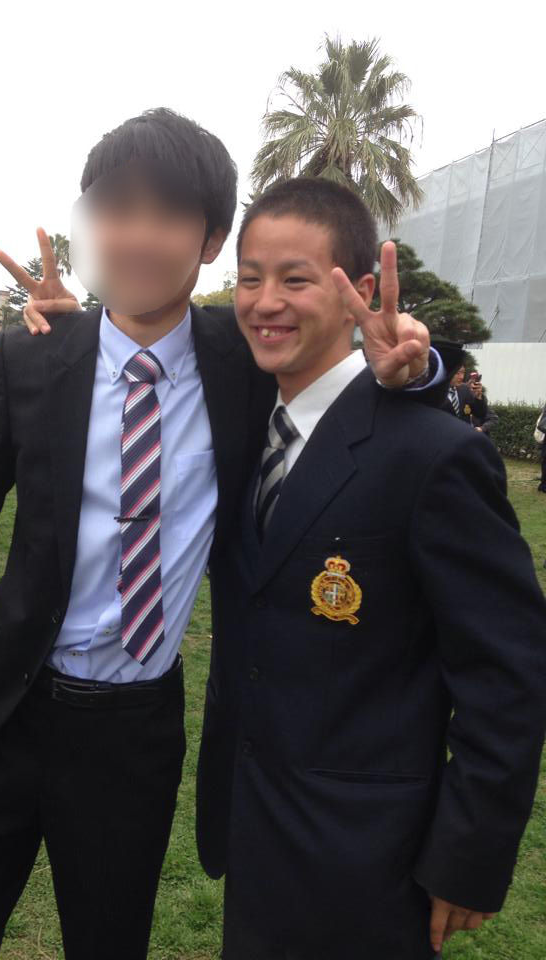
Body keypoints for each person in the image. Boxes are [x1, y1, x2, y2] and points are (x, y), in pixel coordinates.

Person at [0, 110, 444, 960]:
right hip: (6, 702)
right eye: (117, 210)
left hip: (134, 729)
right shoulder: (36, 358)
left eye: (167, 215)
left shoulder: (244, 361)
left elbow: (344, 403)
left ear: (211, 240)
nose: (138, 236)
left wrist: (415, 374)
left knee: (109, 938)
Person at [191, 178, 546, 960]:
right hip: (252, 822)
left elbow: (508, 674)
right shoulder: (247, 428)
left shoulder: (434, 457)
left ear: (354, 291)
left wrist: (469, 854)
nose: (265, 302)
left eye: (295, 279)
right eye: (250, 278)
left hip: (371, 855)